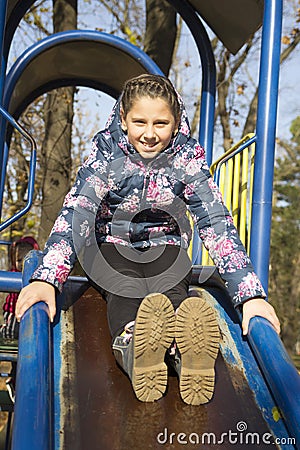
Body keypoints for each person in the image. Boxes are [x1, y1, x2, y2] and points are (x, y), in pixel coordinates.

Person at [15, 74, 280, 405]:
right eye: (140, 121)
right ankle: (134, 343)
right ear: (124, 119)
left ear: (176, 123)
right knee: (122, 281)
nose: (150, 133)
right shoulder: (107, 153)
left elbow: (215, 220)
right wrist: (48, 278)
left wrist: (249, 295)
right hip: (107, 241)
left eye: (161, 123)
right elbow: (78, 210)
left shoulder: (186, 158)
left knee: (171, 282)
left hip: (163, 241)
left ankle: (187, 346)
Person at [0, 236, 39, 402]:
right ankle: (14, 381)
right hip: (13, 317)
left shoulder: (35, 277)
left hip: (24, 317)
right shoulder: (14, 275)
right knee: (15, 338)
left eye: (23, 259)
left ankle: (14, 380)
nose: (21, 264)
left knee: (24, 352)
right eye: (18, 260)